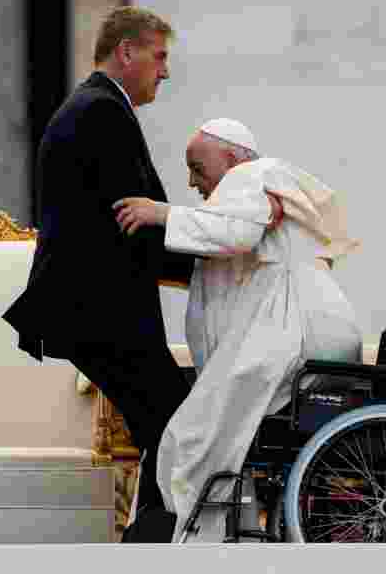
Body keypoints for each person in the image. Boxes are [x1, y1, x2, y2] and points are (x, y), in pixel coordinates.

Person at [114, 118, 362, 542]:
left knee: (195, 434)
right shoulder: (253, 185)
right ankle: (216, 530)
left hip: (292, 332)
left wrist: (161, 213)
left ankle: (199, 535)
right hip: (296, 328)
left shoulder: (251, 175)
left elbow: (238, 234)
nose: (192, 181)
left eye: (197, 167)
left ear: (230, 158)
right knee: (199, 430)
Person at [2, 6, 195, 537]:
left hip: (101, 307)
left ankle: (152, 538)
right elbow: (129, 215)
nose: (166, 71)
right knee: (177, 423)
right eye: (159, 57)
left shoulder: (98, 105)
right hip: (99, 309)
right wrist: (206, 263)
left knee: (169, 423)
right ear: (126, 51)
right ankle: (154, 543)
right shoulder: (99, 110)